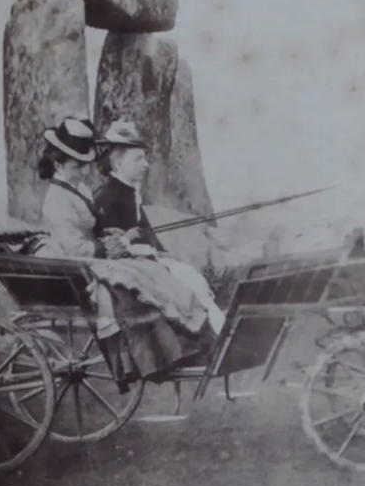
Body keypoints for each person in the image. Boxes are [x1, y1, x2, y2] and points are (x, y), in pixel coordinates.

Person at [90, 120, 226, 383]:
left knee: (191, 278)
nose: (145, 165)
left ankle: (210, 341)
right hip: (126, 264)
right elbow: (108, 242)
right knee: (180, 286)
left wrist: (164, 254)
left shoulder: (129, 193)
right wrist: (142, 250)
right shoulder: (106, 196)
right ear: (119, 162)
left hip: (144, 257)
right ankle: (198, 346)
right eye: (139, 159)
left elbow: (146, 231)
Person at [29, 116, 104, 259]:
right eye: (78, 166)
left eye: (87, 165)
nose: (86, 171)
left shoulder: (80, 187)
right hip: (72, 264)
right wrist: (106, 248)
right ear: (58, 166)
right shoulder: (56, 200)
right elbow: (74, 249)